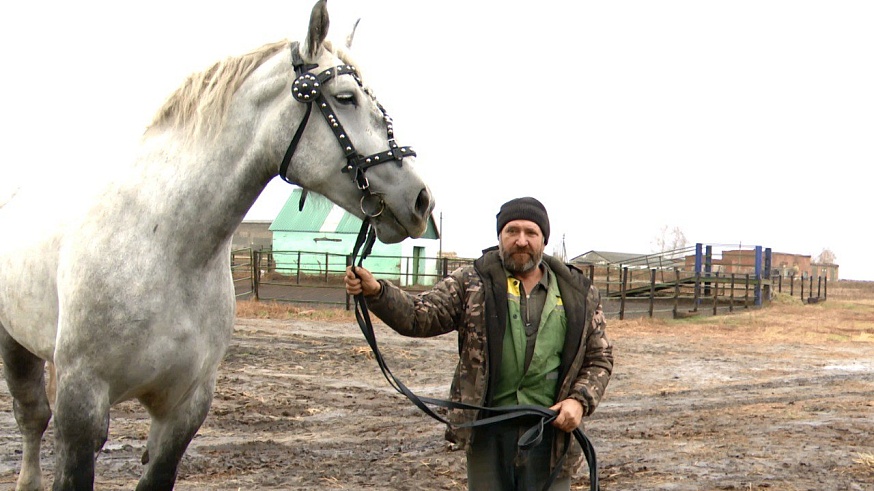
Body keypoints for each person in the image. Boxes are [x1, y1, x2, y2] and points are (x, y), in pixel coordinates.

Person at [344, 197, 613, 491]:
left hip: (551, 435)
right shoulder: (472, 282)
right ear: (500, 236)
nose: (521, 241)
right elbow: (419, 317)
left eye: (530, 233)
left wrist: (579, 400)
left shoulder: (578, 292)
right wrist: (377, 292)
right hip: (487, 431)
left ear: (543, 239)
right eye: (512, 231)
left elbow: (599, 357)